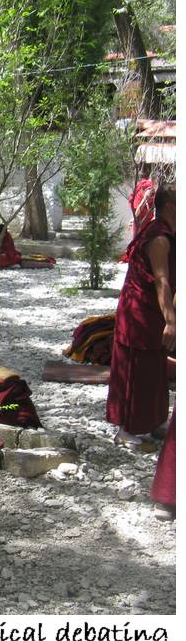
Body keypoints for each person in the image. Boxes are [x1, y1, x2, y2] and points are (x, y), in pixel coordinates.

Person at [107, 186, 175, 451]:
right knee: (138, 370)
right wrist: (171, 321)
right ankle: (127, 429)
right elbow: (162, 281)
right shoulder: (159, 238)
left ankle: (155, 422)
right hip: (140, 313)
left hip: (146, 311)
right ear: (170, 206)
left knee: (155, 369)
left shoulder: (163, 231)